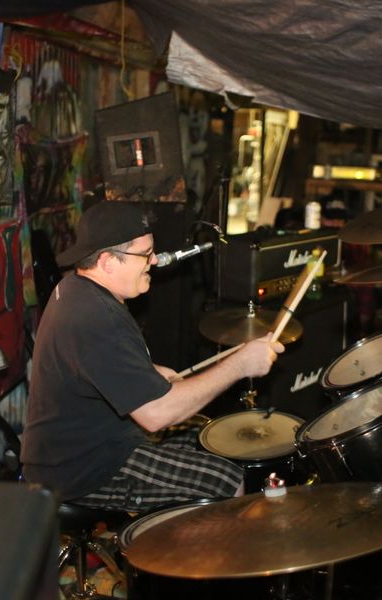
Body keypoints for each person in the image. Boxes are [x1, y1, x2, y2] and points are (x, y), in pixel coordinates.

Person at [21, 201, 284, 513]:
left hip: (86, 443)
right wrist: (240, 365)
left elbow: (96, 365)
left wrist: (149, 371)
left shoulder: (78, 288)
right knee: (228, 479)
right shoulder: (96, 317)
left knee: (209, 436)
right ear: (107, 261)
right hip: (81, 468)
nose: (155, 260)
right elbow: (157, 415)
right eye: (145, 254)